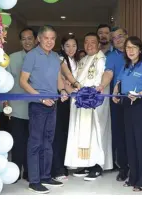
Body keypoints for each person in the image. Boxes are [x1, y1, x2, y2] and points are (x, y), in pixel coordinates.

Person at [20, 25, 68, 194]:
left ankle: (46, 176)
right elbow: (23, 81)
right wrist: (40, 97)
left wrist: (62, 91)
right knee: (35, 142)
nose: (49, 41)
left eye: (52, 38)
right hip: (38, 105)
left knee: (48, 141)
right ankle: (34, 180)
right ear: (39, 39)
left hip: (53, 103)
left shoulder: (55, 57)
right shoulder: (32, 56)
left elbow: (58, 78)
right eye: (46, 38)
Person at [64, 32, 113, 181]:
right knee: (83, 135)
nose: (89, 45)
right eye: (86, 42)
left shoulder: (102, 59)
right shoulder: (83, 60)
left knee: (96, 133)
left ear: (98, 44)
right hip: (81, 104)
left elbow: (101, 81)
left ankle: (97, 165)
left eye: (93, 42)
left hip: (95, 104)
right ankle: (86, 164)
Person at [112, 36, 142, 192]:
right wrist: (116, 92)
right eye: (128, 48)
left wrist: (139, 95)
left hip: (141, 106)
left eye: (133, 47)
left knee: (141, 143)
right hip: (126, 106)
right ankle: (133, 178)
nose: (130, 51)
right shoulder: (126, 67)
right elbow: (118, 82)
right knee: (130, 143)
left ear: (140, 50)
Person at [96, 27, 129, 181]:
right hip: (117, 100)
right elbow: (108, 73)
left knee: (135, 135)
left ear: (127, 36)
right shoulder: (110, 56)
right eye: (115, 38)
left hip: (139, 100)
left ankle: (137, 167)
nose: (118, 39)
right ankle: (123, 168)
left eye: (121, 36)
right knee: (119, 135)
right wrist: (102, 86)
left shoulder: (138, 50)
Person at [5, 27, 37, 183]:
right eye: (23, 39)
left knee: (33, 142)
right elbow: (4, 84)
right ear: (20, 41)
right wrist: (5, 105)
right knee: (18, 141)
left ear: (36, 40)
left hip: (36, 107)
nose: (27, 41)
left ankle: (30, 172)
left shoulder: (41, 57)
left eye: (30, 38)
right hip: (17, 108)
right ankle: (16, 171)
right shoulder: (12, 58)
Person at [52, 35, 79, 181]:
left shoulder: (76, 61)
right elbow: (62, 80)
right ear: (62, 47)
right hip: (62, 100)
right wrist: (76, 91)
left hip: (72, 102)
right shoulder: (60, 59)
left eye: (73, 45)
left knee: (66, 133)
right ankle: (57, 169)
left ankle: (64, 164)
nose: (71, 49)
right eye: (67, 46)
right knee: (59, 135)